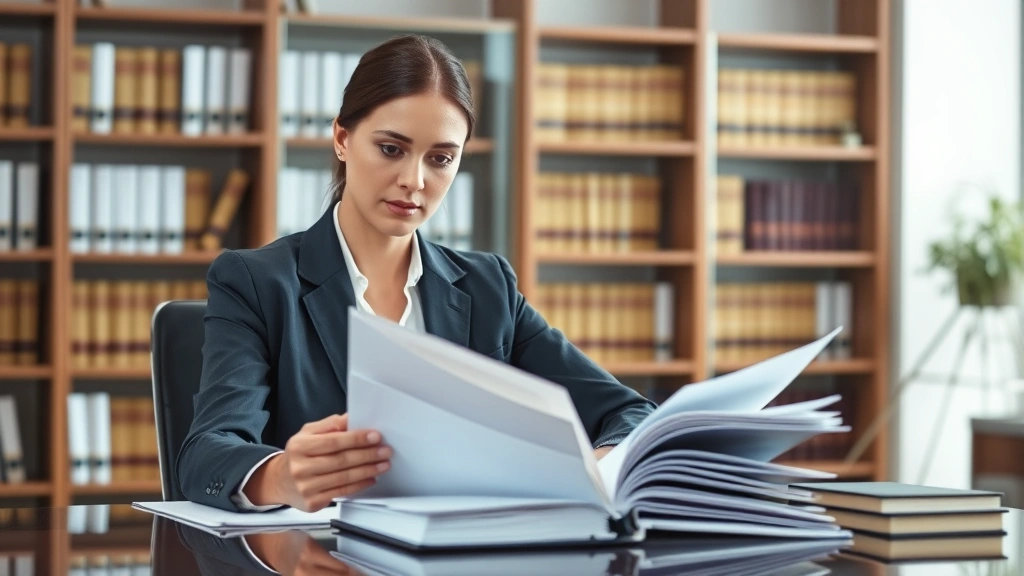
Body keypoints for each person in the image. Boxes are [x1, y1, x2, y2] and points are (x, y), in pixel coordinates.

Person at [177, 34, 656, 513]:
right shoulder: (256, 282)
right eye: (391, 149)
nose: (415, 181)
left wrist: (595, 467)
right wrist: (281, 477)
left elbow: (632, 414)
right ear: (342, 139)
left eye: (441, 159)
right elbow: (205, 455)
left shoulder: (488, 288)